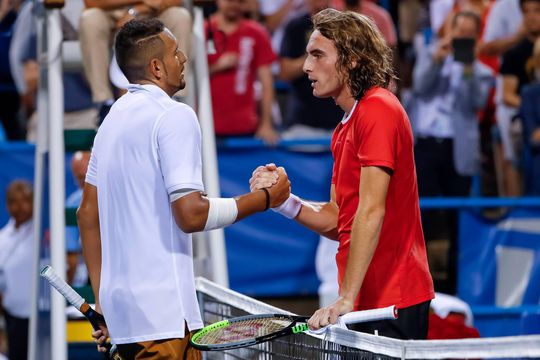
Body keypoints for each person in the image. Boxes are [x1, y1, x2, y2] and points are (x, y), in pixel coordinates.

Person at [78, 18, 290, 359]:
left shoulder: (112, 119)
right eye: (176, 53)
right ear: (157, 67)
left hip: (122, 319)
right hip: (163, 323)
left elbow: (86, 214)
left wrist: (104, 299)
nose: (184, 59)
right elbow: (191, 215)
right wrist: (265, 199)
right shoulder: (175, 116)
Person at [251, 9, 434, 339]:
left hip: (392, 300)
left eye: (317, 55)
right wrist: (283, 201)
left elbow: (371, 210)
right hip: (364, 300)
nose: (306, 67)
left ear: (352, 60)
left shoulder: (378, 109)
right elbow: (340, 219)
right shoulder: (344, 128)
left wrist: (346, 297)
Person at [410, 11, 494, 293]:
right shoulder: (428, 54)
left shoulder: (481, 72)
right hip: (426, 145)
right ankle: (421, 281)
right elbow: (420, 87)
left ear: (476, 37)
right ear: (449, 30)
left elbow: (477, 102)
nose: (462, 38)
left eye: (469, 34)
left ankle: (455, 285)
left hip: (458, 149)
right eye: (459, 32)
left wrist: (467, 68)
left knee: (458, 220)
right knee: (423, 216)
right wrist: (437, 59)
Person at [79, 0, 192, 124]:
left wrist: (136, 11)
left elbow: (175, 1)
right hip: (111, 15)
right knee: (90, 19)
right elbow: (90, 2)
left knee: (180, 16)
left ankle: (174, 96)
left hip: (152, 13)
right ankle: (105, 103)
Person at [206, 0, 279, 144]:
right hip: (207, 126)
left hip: (246, 126)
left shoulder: (257, 32)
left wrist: (266, 124)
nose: (234, 5)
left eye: (239, 1)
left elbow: (267, 82)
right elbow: (188, 76)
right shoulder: (202, 31)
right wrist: (217, 66)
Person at [0, 180, 34, 360]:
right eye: (13, 201)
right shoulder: (2, 239)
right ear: (7, 204)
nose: (19, 207)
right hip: (13, 318)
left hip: (41, 317)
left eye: (24, 200)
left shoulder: (46, 234)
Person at [66, 151, 91, 286]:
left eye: (89, 175)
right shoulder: (73, 203)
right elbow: (72, 256)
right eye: (81, 178)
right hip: (89, 276)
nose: (86, 181)